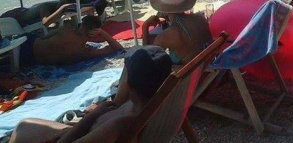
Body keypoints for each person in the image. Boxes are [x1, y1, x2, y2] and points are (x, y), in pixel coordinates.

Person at [9, 45, 172, 143]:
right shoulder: (159, 100)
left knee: (22, 127)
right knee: (25, 125)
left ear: (129, 83)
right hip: (91, 131)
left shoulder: (120, 124)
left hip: (85, 134)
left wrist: (92, 116)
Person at [17, 15, 122, 66]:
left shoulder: (66, 29)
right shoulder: (84, 52)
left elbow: (43, 38)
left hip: (27, 44)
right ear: (94, 33)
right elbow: (118, 48)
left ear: (82, 25)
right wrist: (102, 32)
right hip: (30, 62)